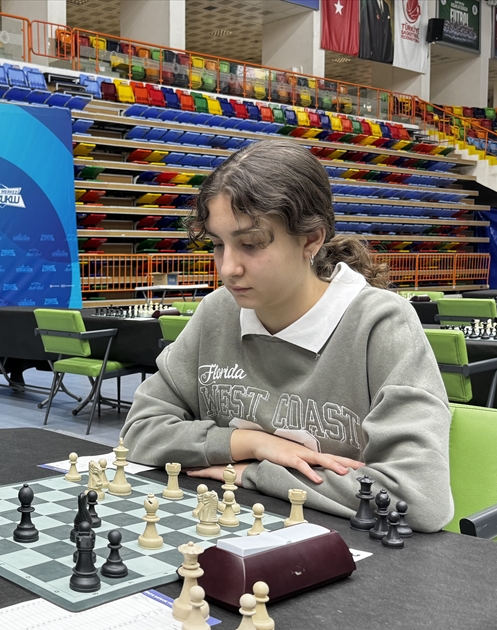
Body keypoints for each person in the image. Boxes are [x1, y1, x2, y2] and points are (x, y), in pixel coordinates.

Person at [122, 140, 453, 533]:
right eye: (217, 245)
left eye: (250, 244)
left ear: (311, 239)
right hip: (226, 535)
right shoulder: (218, 311)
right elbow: (139, 433)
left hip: (347, 550)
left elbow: (420, 498)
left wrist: (253, 472)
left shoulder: (381, 324)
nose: (228, 268)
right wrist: (251, 443)